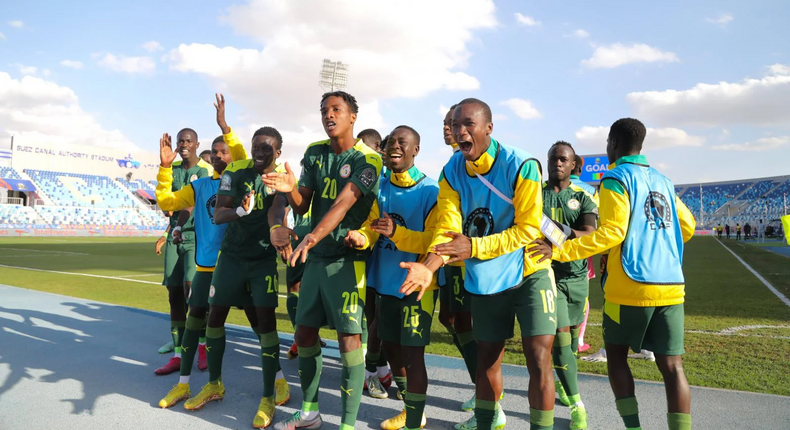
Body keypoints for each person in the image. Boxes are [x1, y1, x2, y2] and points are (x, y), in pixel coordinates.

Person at [530, 118, 695, 430]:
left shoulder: (616, 178)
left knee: (617, 357)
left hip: (630, 287)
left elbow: (611, 233)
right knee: (673, 367)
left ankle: (633, 427)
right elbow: (686, 226)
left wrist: (561, 250)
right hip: (672, 286)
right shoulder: (663, 180)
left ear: (614, 144)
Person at [400, 98, 554, 430]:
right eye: (455, 125)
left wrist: (473, 246)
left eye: (468, 124)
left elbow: (528, 229)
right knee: (487, 359)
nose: (459, 131)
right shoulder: (451, 171)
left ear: (488, 128)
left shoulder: (522, 165)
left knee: (539, 359)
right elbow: (446, 229)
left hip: (529, 271)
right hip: (486, 277)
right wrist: (430, 265)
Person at [263, 91, 382, 430]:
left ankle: (346, 424)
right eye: (324, 110)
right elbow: (302, 205)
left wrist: (313, 235)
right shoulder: (315, 152)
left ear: (352, 117)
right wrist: (290, 188)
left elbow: (344, 203)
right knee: (304, 335)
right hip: (315, 259)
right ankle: (311, 412)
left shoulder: (368, 159)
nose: (329, 115)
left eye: (336, 110)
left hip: (347, 262)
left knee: (349, 341)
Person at [182, 124, 293, 428]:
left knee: (266, 326)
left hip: (261, 261)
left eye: (266, 148)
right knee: (214, 317)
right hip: (230, 258)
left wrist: (276, 230)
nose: (259, 153)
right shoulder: (235, 172)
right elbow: (219, 214)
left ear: (278, 152)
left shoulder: (279, 179)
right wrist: (242, 213)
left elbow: (278, 210)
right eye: (255, 146)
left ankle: (268, 397)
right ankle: (215, 384)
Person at [348, 125, 436, 429]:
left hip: (416, 285)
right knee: (390, 345)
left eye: (403, 143)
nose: (394, 147)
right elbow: (372, 227)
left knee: (413, 354)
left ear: (415, 150)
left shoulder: (430, 191)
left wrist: (398, 234)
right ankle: (413, 409)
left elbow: (434, 242)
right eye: (390, 143)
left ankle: (413, 420)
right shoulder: (380, 186)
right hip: (383, 282)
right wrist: (361, 237)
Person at [542, 142, 597, 430]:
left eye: (563, 159)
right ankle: (578, 405)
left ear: (573, 164)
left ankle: (565, 382)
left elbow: (589, 233)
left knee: (573, 343)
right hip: (547, 277)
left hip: (577, 278)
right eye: (553, 158)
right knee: (561, 338)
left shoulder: (583, 196)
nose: (557, 163)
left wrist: (560, 231)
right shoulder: (535, 194)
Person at [156, 128, 213, 375]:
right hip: (174, 238)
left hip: (195, 238)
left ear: (197, 143)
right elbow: (165, 202)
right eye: (181, 141)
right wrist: (164, 167)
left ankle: (202, 346)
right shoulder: (174, 169)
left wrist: (178, 224)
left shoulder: (204, 170)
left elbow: (191, 203)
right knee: (174, 295)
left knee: (194, 294)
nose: (184, 144)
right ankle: (179, 354)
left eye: (188, 140)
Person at [570, 154, 598, 354]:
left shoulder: (545, 188)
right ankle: (578, 340)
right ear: (579, 169)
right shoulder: (590, 191)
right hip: (581, 250)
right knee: (582, 296)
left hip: (552, 248)